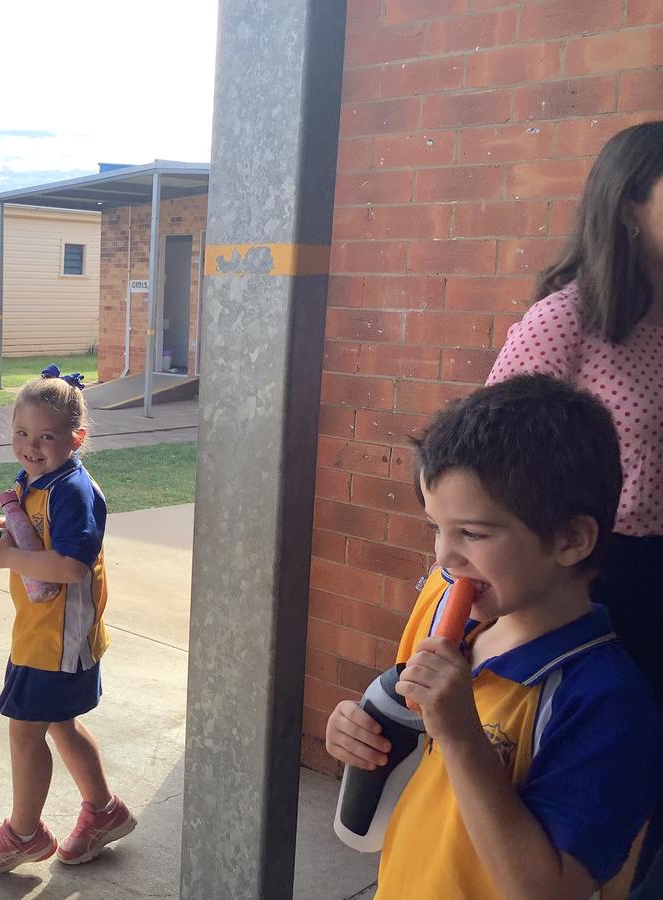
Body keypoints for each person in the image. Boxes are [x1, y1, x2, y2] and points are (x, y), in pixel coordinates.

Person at [325, 375, 661, 900]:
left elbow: (549, 889)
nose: (444, 557)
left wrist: (461, 736)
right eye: (436, 527)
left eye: (473, 533)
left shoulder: (605, 702)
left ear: (571, 539)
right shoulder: (463, 637)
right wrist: (358, 733)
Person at [486, 121, 663, 892]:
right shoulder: (570, 320)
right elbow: (490, 456)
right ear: (629, 206)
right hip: (600, 579)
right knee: (593, 781)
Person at [0, 366, 136, 874]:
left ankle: (24, 834)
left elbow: (70, 566)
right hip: (40, 631)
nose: (30, 446)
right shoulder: (35, 480)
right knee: (60, 723)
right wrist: (3, 532)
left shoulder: (73, 491)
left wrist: (6, 558)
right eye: (21, 433)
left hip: (60, 638)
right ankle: (105, 812)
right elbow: (37, 536)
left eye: (45, 437)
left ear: (75, 438)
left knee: (25, 731)